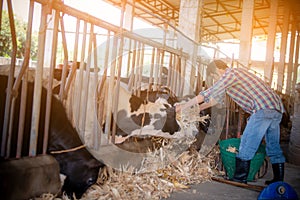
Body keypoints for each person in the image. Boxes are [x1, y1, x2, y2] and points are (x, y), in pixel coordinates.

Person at [176, 60, 285, 184]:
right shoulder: (233, 78)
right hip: (276, 109)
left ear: (217, 70)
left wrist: (182, 107)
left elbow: (207, 93)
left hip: (263, 109)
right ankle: (278, 180)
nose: (216, 79)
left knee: (247, 142)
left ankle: (240, 178)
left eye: (214, 76)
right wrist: (198, 108)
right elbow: (215, 99)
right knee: (273, 145)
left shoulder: (231, 74)